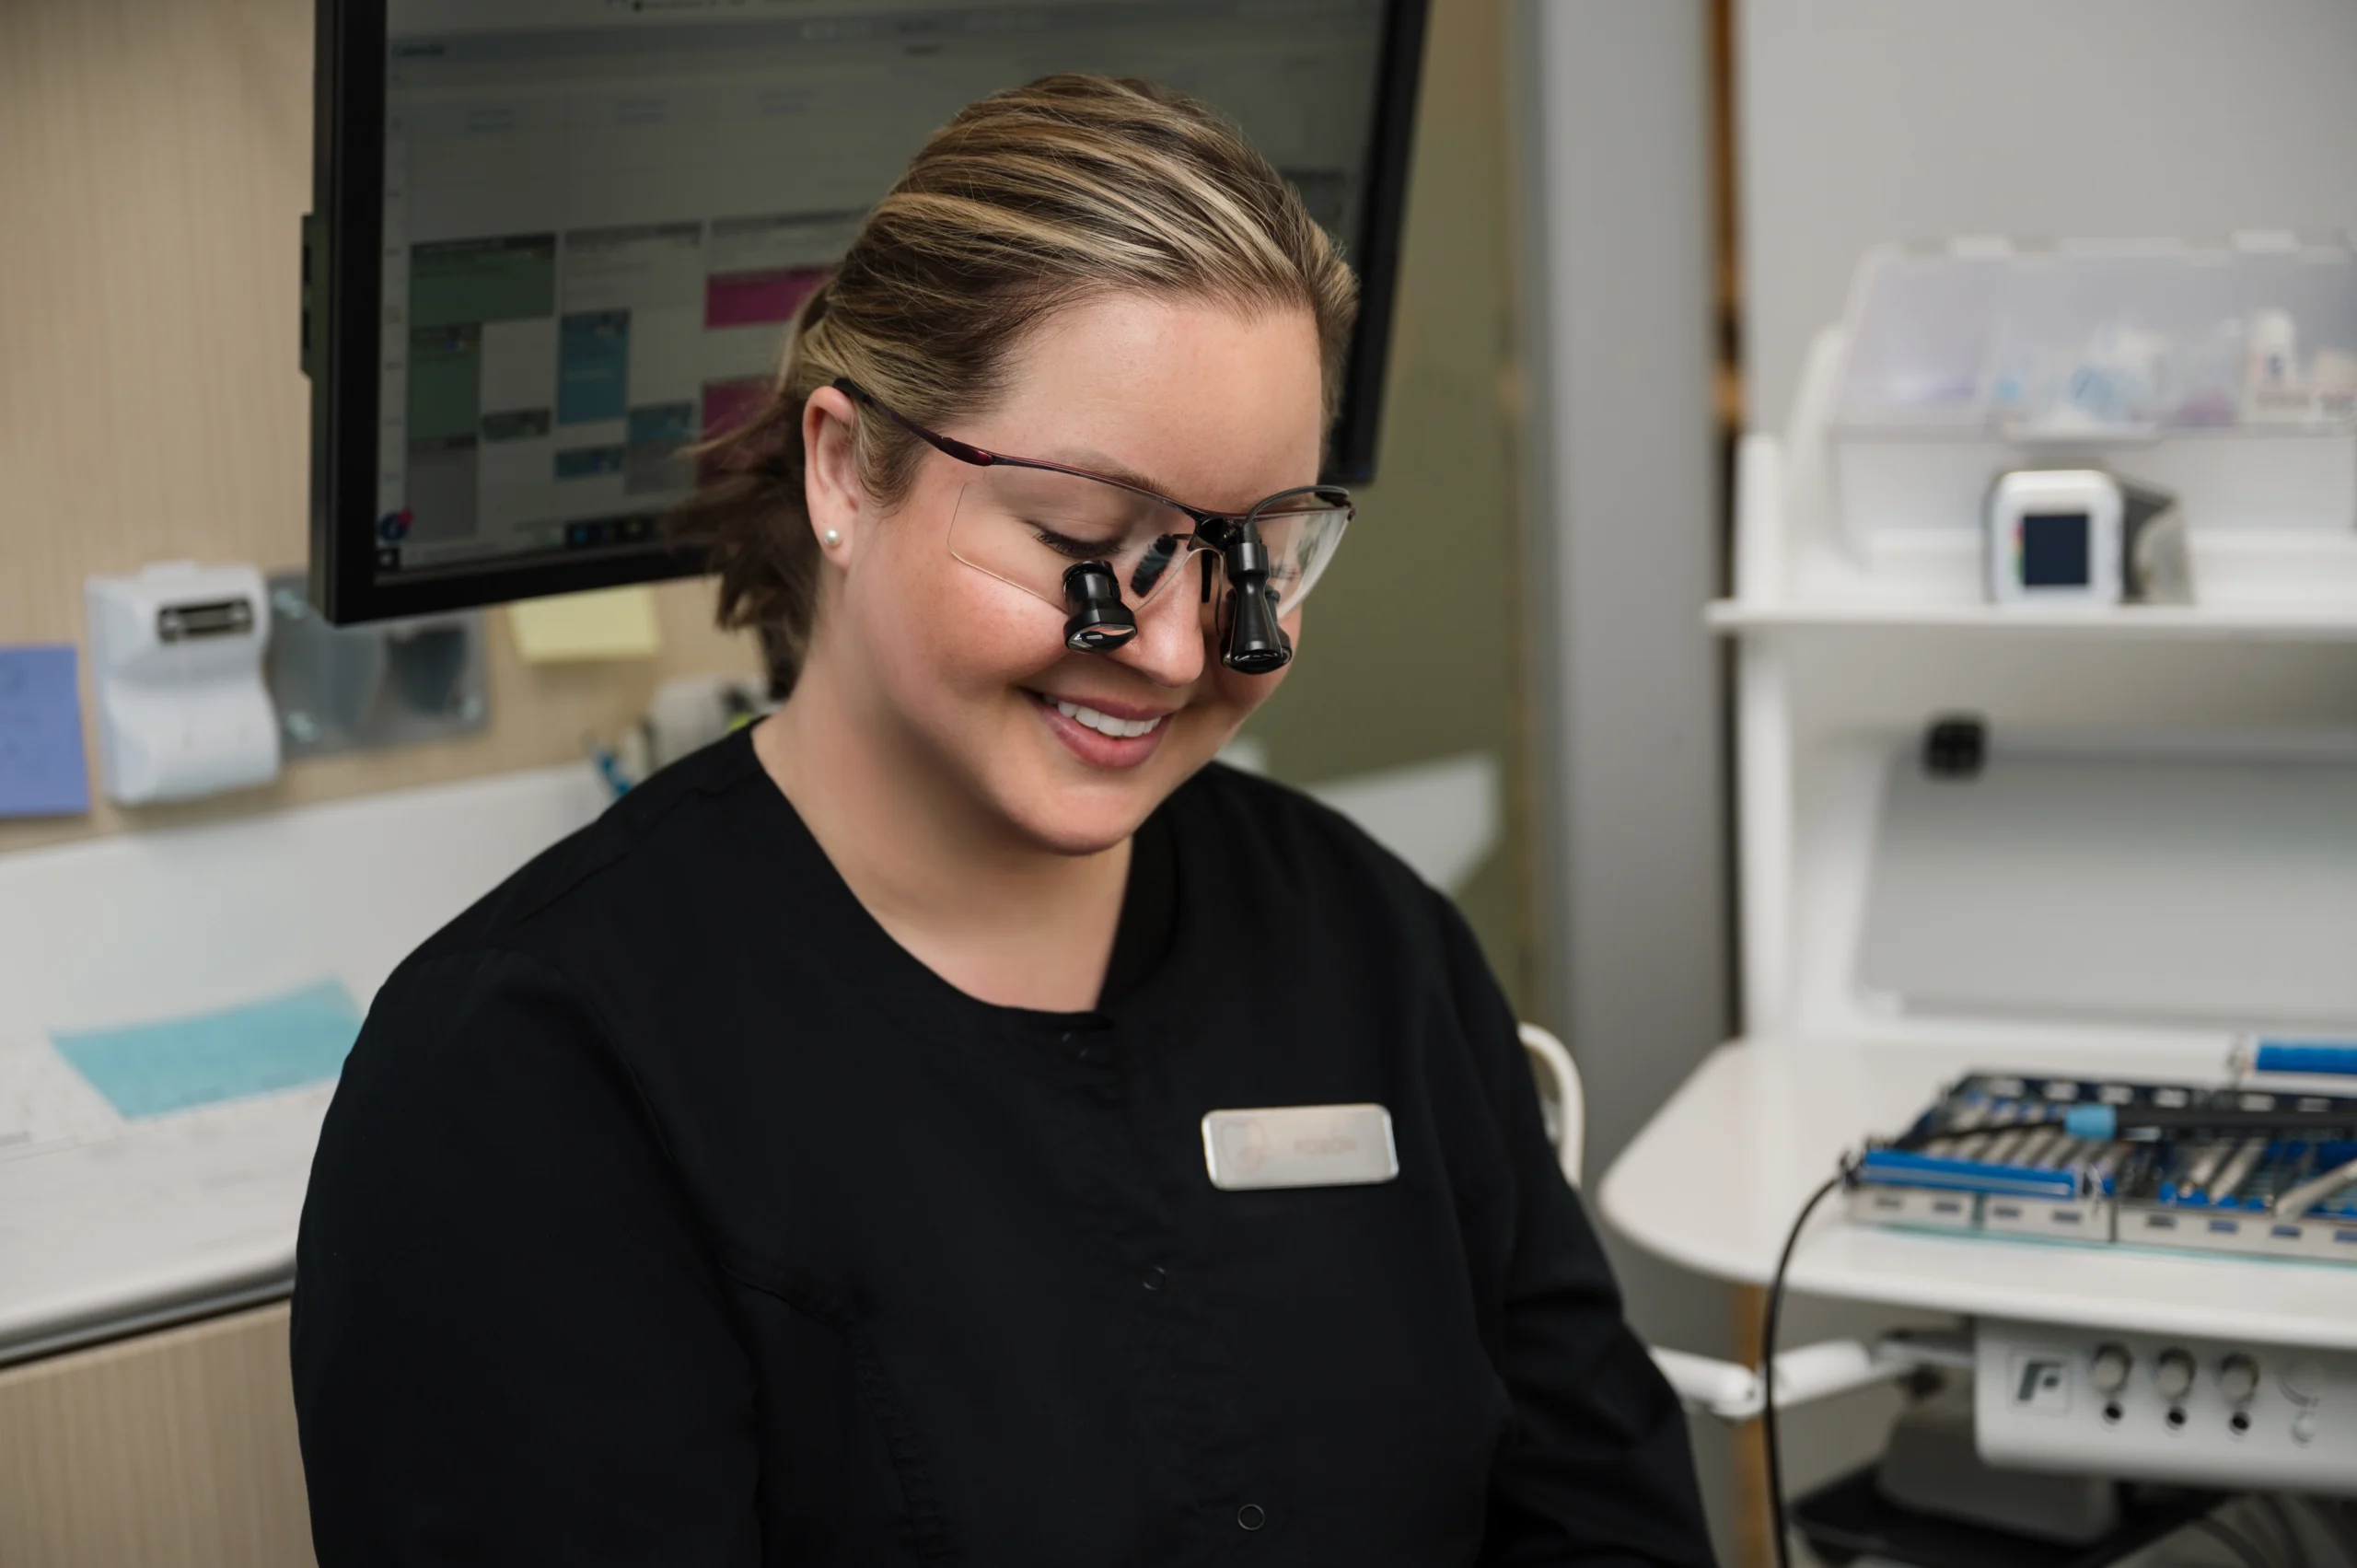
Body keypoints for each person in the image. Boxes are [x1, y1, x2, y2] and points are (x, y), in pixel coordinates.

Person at [291, 74, 1715, 1567]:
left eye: (1257, 555)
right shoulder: (528, 1076)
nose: (1173, 651)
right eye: (1083, 543)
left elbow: (1603, 1518)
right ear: (846, 468)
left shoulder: (1374, 948)